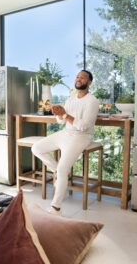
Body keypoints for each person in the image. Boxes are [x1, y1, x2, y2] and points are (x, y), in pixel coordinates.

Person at [31, 70, 99, 215]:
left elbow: (83, 126)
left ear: (89, 82)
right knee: (36, 148)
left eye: (82, 77)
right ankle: (56, 169)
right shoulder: (70, 98)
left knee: (63, 169)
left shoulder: (92, 101)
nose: (78, 79)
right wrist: (58, 113)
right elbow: (62, 120)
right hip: (66, 133)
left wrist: (65, 115)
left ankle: (56, 207)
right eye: (77, 76)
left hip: (81, 136)